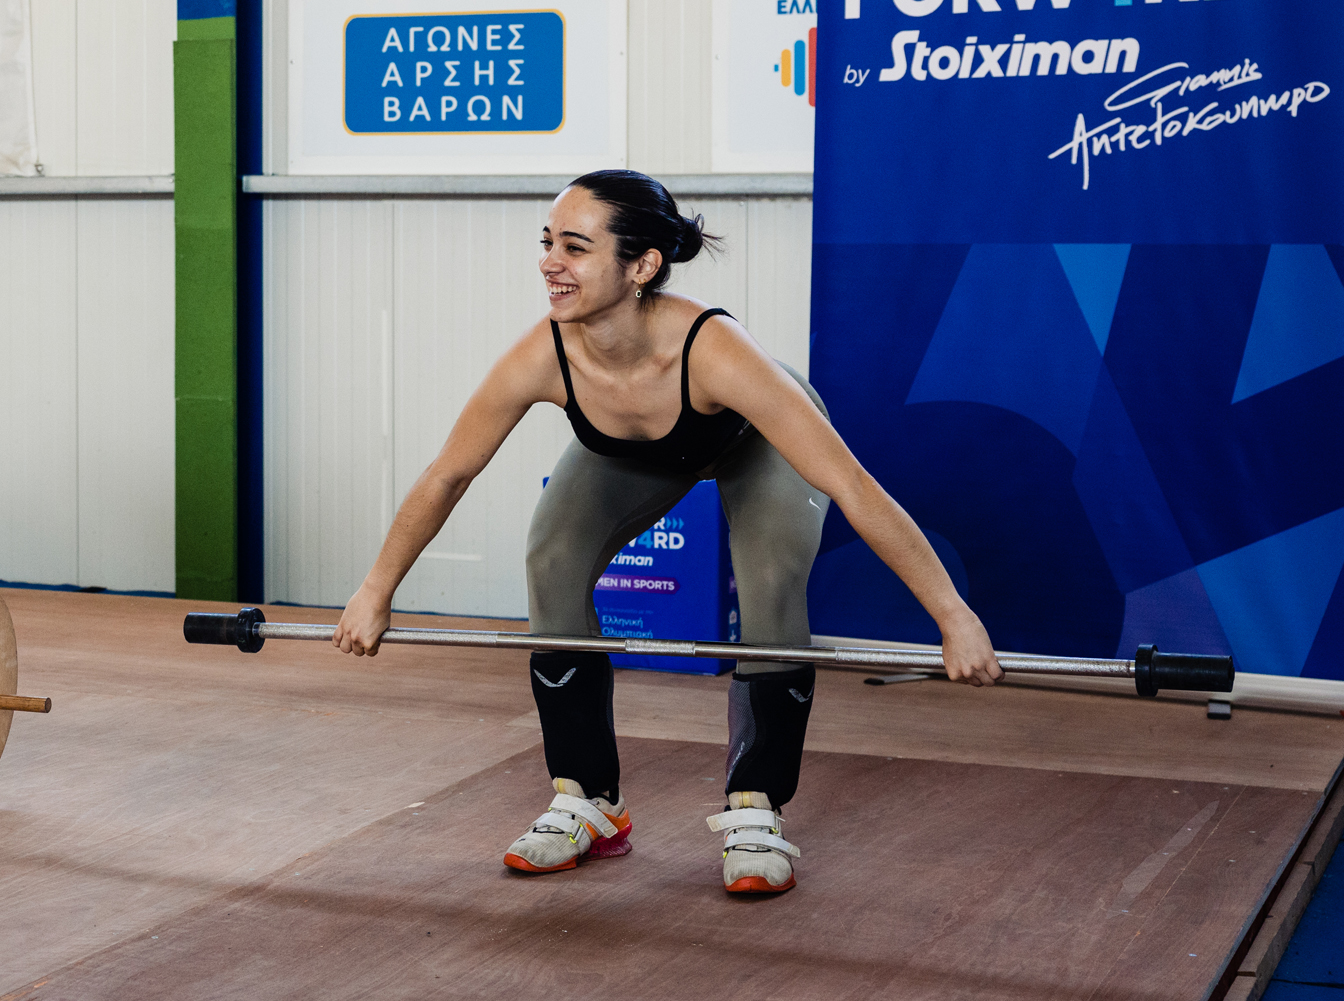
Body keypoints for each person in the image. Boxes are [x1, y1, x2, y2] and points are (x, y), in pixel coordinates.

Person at [331, 170, 1001, 894]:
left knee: (769, 577)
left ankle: (755, 803)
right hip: (635, 451)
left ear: (642, 264)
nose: (550, 260)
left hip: (754, 442)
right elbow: (447, 475)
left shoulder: (712, 348)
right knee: (552, 558)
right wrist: (376, 588)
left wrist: (952, 615)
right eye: (548, 242)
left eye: (576, 246)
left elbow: (851, 484)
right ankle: (589, 798)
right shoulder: (544, 353)